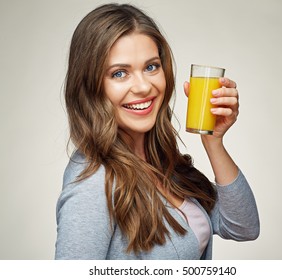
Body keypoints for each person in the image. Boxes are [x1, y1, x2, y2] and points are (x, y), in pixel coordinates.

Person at [55, 3, 259, 260]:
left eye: (151, 67)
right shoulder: (94, 180)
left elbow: (243, 227)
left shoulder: (162, 162)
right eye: (120, 73)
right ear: (91, 87)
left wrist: (214, 141)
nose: (143, 86)